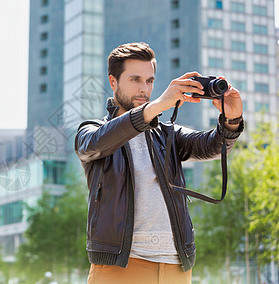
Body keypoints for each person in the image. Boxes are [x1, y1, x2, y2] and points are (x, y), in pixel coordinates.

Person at [75, 42, 244, 284]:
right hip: (120, 268)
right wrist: (157, 106)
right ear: (113, 82)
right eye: (135, 79)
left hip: (177, 268)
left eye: (150, 81)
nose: (144, 89)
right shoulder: (92, 131)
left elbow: (213, 146)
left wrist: (232, 119)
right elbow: (93, 145)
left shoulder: (167, 135)